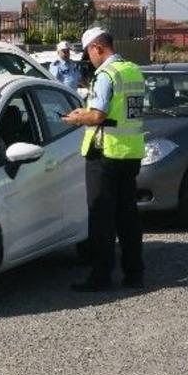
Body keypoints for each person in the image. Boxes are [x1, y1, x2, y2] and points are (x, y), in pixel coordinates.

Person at [62, 27, 146, 292]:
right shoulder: (132, 70)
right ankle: (134, 272)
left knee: (101, 217)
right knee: (128, 216)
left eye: (89, 52)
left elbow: (98, 116)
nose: (89, 59)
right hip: (130, 152)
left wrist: (77, 117)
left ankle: (100, 276)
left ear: (98, 47)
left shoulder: (106, 74)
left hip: (106, 153)